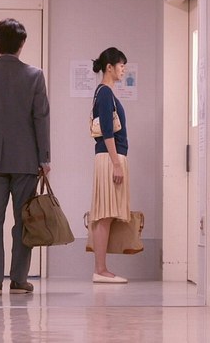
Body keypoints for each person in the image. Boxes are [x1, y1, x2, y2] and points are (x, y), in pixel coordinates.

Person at [0, 18, 51, 295]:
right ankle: (18, 280)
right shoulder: (34, 76)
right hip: (26, 160)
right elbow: (41, 119)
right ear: (22, 43)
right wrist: (44, 158)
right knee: (23, 220)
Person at [89, 47, 130, 284]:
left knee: (107, 213)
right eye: (121, 65)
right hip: (109, 157)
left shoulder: (106, 93)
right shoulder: (105, 92)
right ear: (109, 67)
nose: (123, 70)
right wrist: (116, 163)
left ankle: (101, 269)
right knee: (104, 214)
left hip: (109, 157)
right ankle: (100, 269)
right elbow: (107, 131)